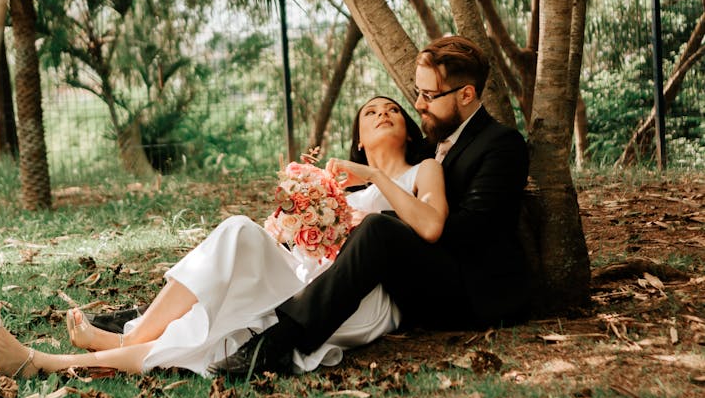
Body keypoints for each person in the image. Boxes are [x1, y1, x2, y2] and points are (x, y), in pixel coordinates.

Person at [0, 96, 447, 378]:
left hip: (353, 301)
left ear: (408, 128)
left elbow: (430, 225)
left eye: (392, 109)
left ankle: (44, 361)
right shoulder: (340, 186)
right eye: (370, 111)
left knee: (214, 336)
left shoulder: (423, 171)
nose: (383, 113)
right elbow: (297, 241)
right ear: (360, 139)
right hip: (307, 274)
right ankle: (130, 339)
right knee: (239, 231)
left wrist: (373, 178)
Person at [210, 35, 530, 376]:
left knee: (377, 228)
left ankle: (278, 345)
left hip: (475, 294)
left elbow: (470, 232)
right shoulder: (434, 141)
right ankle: (232, 318)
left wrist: (384, 217)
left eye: (429, 95)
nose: (418, 105)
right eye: (418, 92)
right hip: (417, 281)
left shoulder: (501, 144)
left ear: (466, 95)